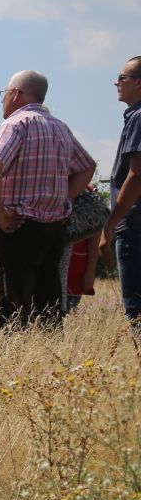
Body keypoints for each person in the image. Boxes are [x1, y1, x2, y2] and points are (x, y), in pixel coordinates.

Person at [0, 70, 95, 328]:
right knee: (48, 305)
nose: (2, 100)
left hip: (18, 226)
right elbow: (88, 166)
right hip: (53, 229)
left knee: (12, 307)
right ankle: (48, 361)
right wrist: (64, 199)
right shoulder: (60, 127)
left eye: (4, 94)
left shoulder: (16, 124)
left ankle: (13, 363)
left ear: (16, 94)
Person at [106, 55, 141, 324]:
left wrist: (111, 222)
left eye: (122, 78)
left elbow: (136, 174)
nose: (116, 83)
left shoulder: (139, 117)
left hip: (134, 223)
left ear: (138, 83)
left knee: (135, 306)